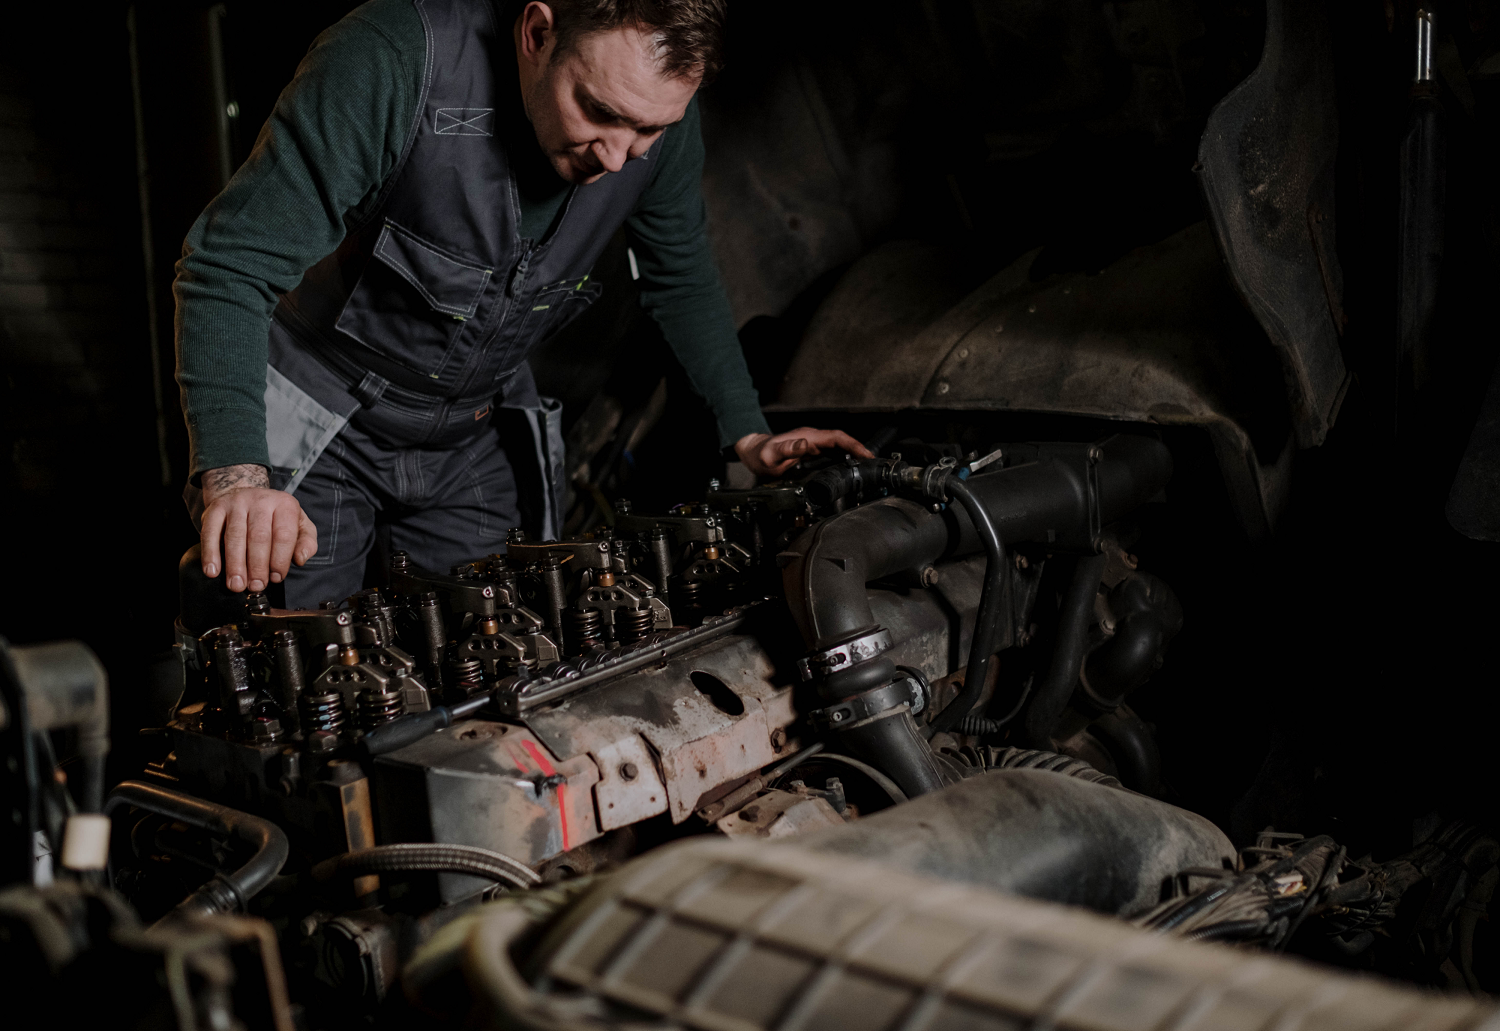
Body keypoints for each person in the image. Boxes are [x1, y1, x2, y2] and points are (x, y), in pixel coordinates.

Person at [175, 0, 871, 608]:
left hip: (469, 435)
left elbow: (680, 275)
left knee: (499, 659)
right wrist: (238, 478)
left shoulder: (653, 125)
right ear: (537, 33)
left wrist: (747, 433)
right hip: (331, 421)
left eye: (650, 130)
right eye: (600, 112)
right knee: (308, 677)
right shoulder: (391, 58)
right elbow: (228, 264)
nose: (620, 157)